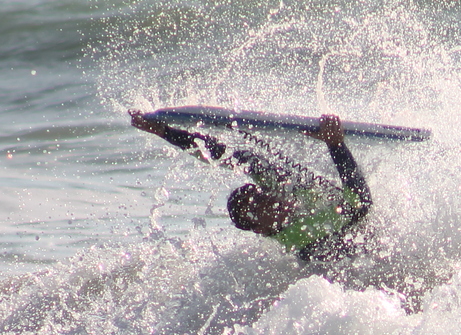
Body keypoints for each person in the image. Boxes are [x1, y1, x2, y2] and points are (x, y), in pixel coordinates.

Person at [130, 110, 372, 262]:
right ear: (260, 229)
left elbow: (221, 154)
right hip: (362, 251)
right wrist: (336, 145)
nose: (265, 199)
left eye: (259, 194)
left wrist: (165, 131)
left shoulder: (276, 192)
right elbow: (362, 203)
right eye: (256, 207)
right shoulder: (301, 235)